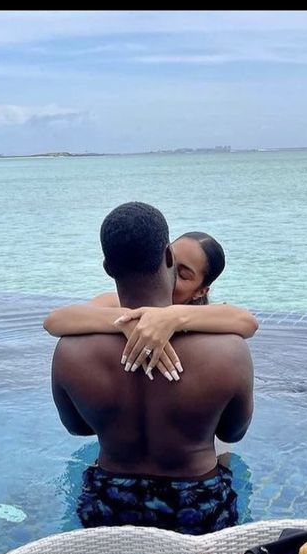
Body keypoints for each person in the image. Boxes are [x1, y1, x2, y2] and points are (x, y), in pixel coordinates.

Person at [51, 202, 254, 531]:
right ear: (169, 258)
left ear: (107, 266)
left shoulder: (69, 351)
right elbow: (233, 432)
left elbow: (78, 428)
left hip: (108, 501)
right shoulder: (229, 351)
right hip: (199, 504)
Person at [44, 229, 258, 382]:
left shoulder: (205, 316)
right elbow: (54, 321)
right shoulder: (117, 303)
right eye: (171, 261)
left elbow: (248, 322)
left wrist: (173, 318)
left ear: (201, 291)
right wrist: (126, 320)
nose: (171, 274)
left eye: (183, 274)